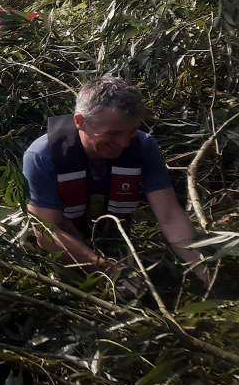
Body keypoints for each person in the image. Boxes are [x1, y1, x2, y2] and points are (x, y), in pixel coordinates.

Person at [23, 77, 209, 289]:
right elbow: (47, 235)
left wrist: (202, 268)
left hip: (116, 240)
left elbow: (170, 216)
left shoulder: (143, 147)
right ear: (80, 122)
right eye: (113, 133)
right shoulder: (43, 156)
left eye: (131, 131)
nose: (123, 143)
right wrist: (110, 270)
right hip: (67, 252)